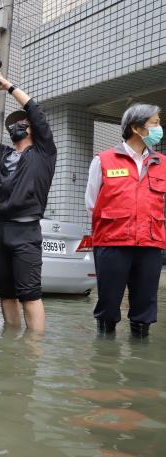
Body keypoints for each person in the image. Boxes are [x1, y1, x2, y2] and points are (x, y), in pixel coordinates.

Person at [0, 69, 57, 332]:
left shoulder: (44, 152)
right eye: (14, 123)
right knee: (5, 291)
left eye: (23, 122)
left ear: (32, 128)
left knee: (30, 292)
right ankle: (11, 342)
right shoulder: (2, 154)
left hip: (26, 229)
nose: (17, 125)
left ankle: (33, 348)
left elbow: (35, 110)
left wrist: (7, 86)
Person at [85, 103, 165, 338]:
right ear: (136, 128)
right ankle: (105, 358)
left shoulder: (162, 163)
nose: (160, 127)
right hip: (112, 242)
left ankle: (139, 359)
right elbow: (92, 203)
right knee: (108, 305)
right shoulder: (104, 160)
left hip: (150, 244)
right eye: (155, 123)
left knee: (145, 307)